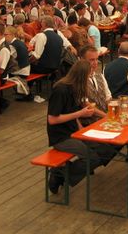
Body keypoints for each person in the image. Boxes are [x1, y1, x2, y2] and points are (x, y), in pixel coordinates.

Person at [46, 60, 118, 194]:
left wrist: (82, 131)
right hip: (61, 137)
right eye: (88, 77)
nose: (89, 80)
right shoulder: (60, 89)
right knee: (92, 158)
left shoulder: (76, 89)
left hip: (74, 131)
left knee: (107, 149)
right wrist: (80, 114)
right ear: (81, 76)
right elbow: (52, 119)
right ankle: (59, 174)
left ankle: (65, 173)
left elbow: (75, 112)